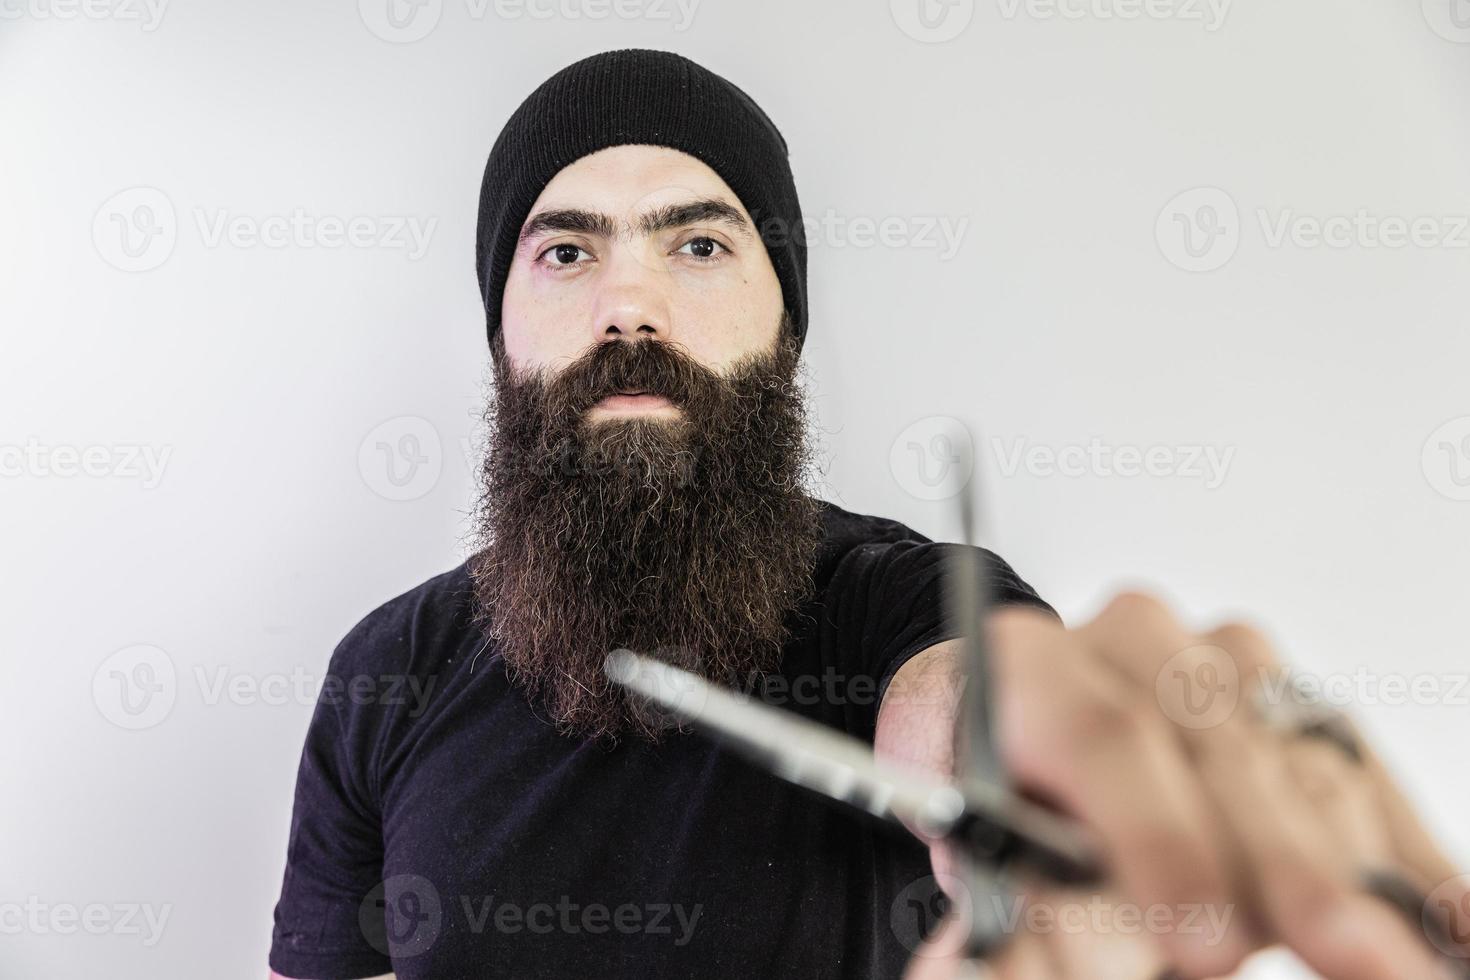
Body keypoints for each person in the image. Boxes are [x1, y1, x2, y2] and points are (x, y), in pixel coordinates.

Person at [267, 48, 1466, 979]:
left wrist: (1056, 752)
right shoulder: (389, 673)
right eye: (566, 253)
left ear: (783, 331)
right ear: (502, 336)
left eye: (697, 242)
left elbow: (967, 698)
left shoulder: (891, 603)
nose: (630, 303)